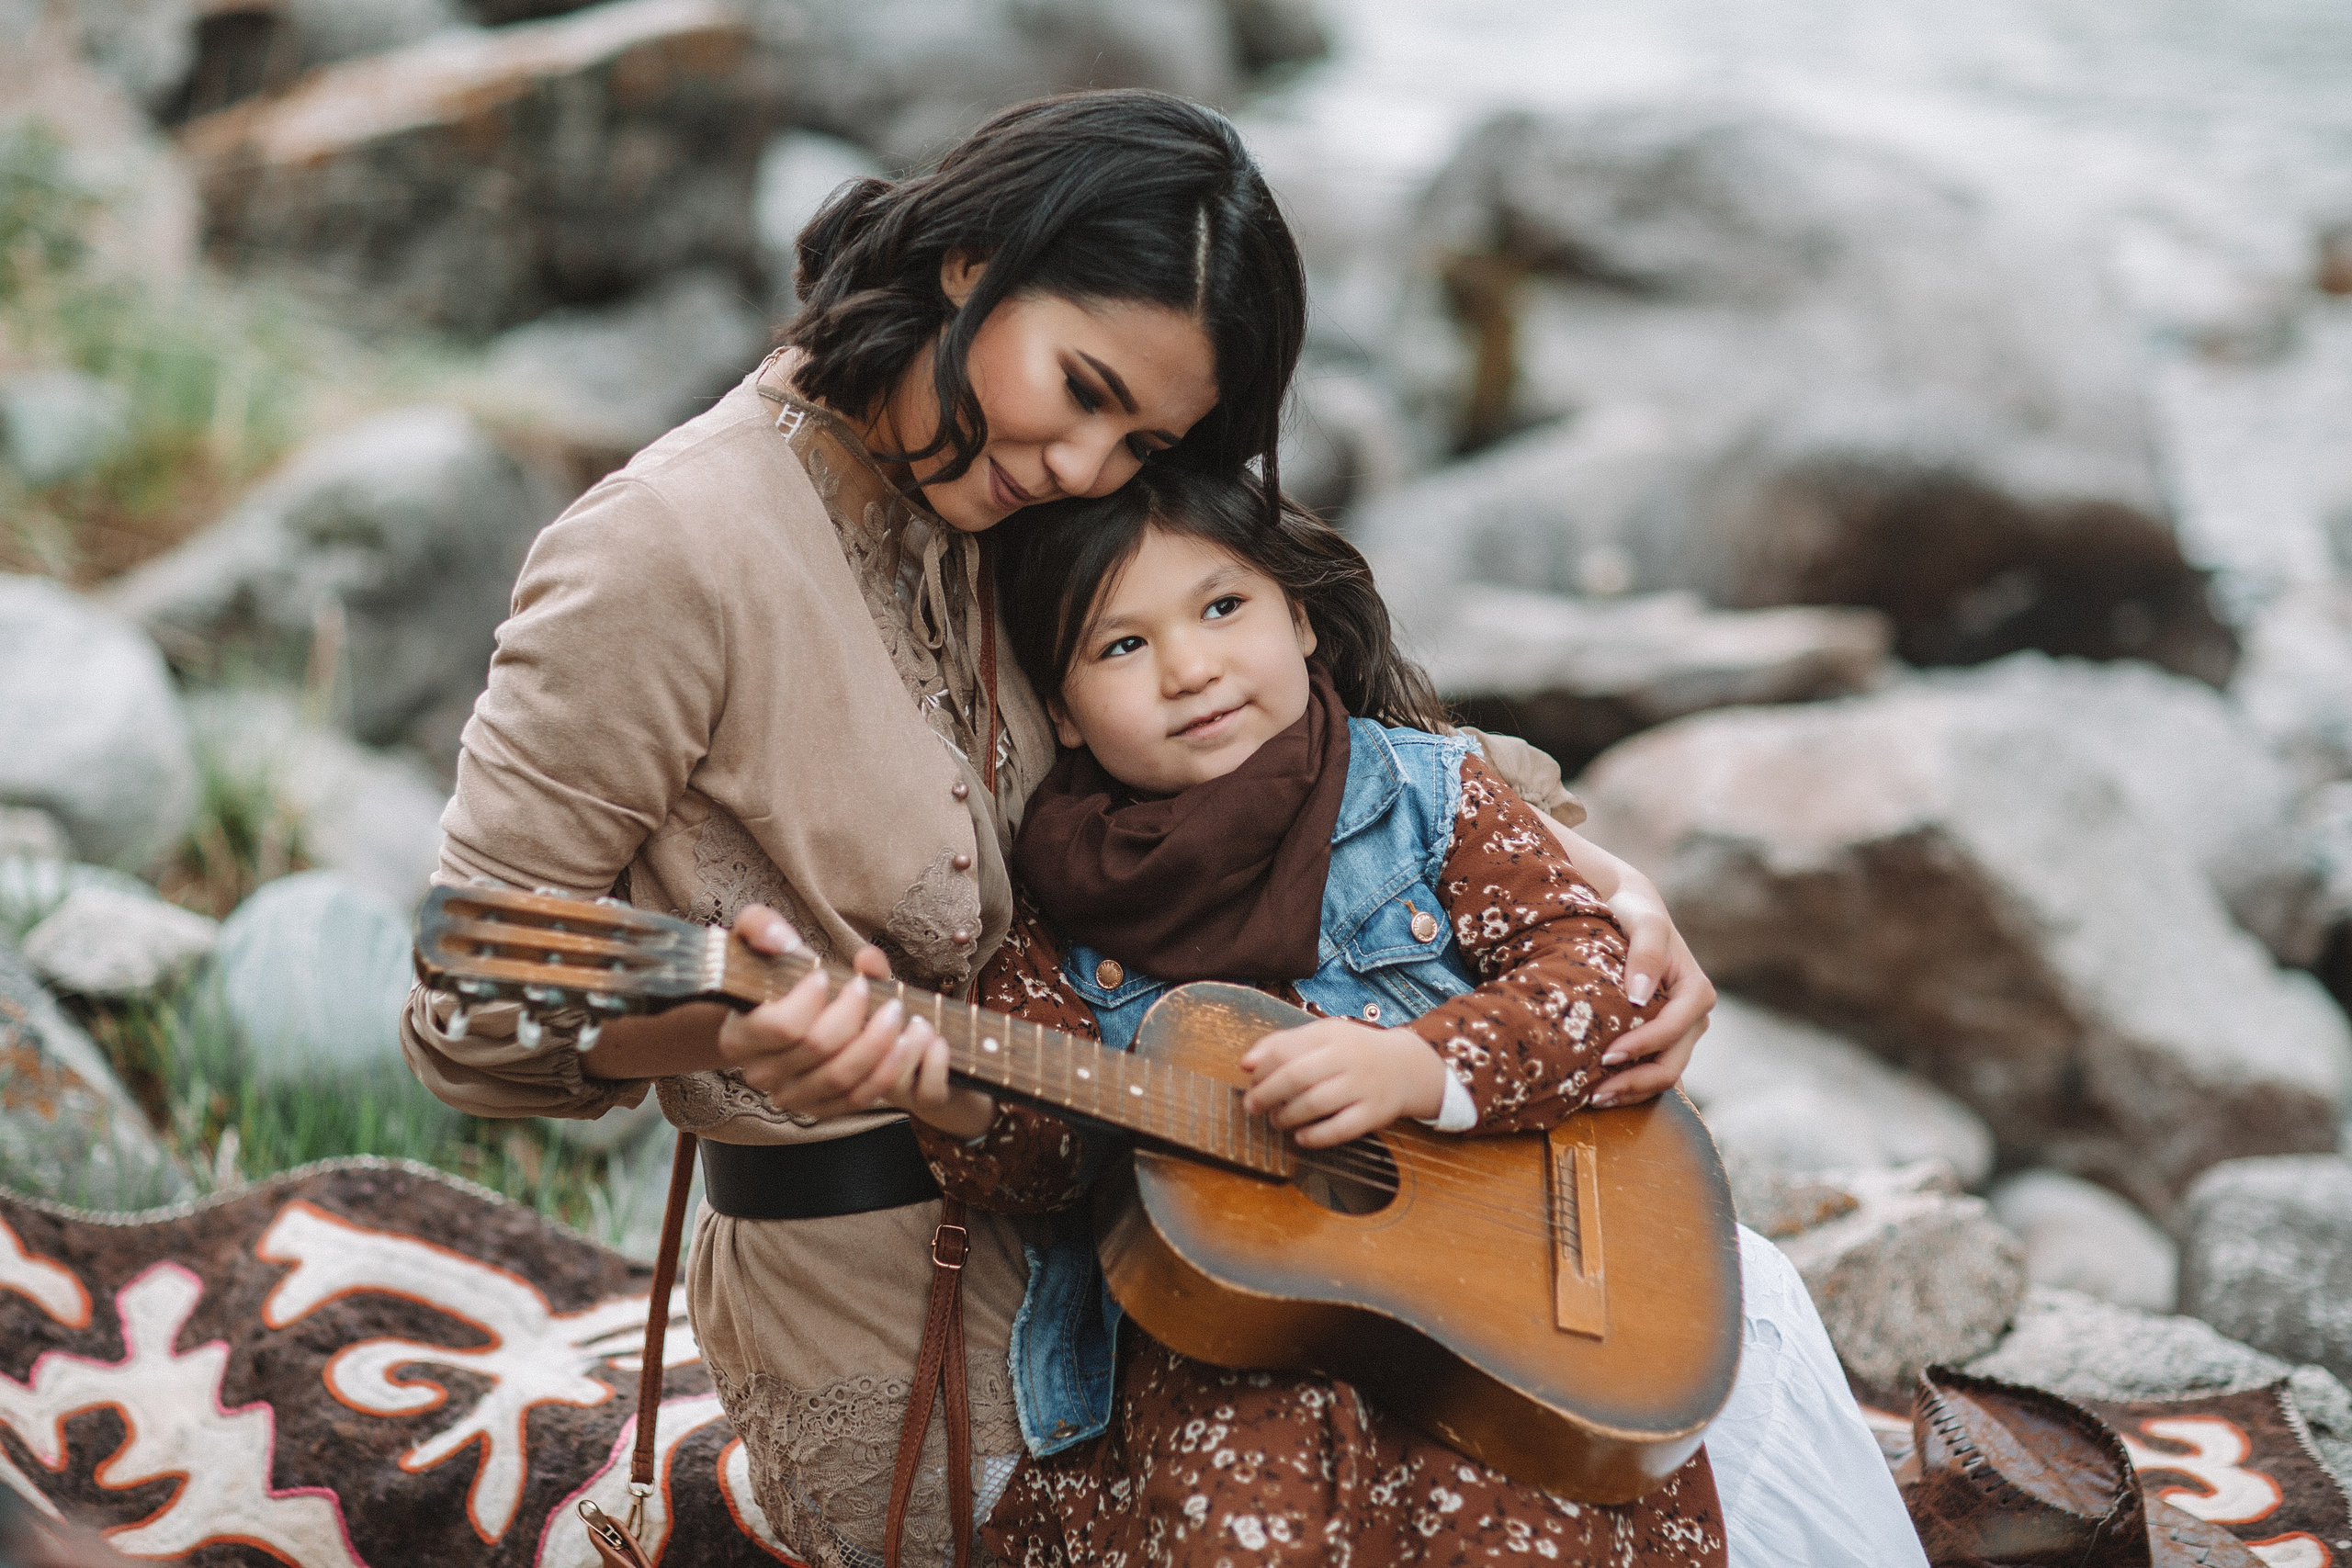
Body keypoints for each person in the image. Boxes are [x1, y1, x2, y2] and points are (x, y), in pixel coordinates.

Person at [398, 89, 1713, 1568]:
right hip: (893, 1291)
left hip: (1228, 1223)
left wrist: (1603, 891)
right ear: (971, 260)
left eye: (1143, 433)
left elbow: (1312, 740)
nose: (1093, 467)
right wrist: (727, 1037)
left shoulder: (1014, 488)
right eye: (1082, 390)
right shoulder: (663, 555)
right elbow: (467, 1021)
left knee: (1620, 1429)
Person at [881, 468, 1929, 1568]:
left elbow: (1587, 972)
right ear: (1062, 711)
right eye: (1119, 647)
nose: (1189, 668)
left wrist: (1422, 1069)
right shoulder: (1048, 907)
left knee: (1517, 1528)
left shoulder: (1429, 798)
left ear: (1297, 616)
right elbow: (1034, 1162)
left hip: (1496, 1312)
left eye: (1222, 608)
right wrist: (940, 1092)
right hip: (1223, 1349)